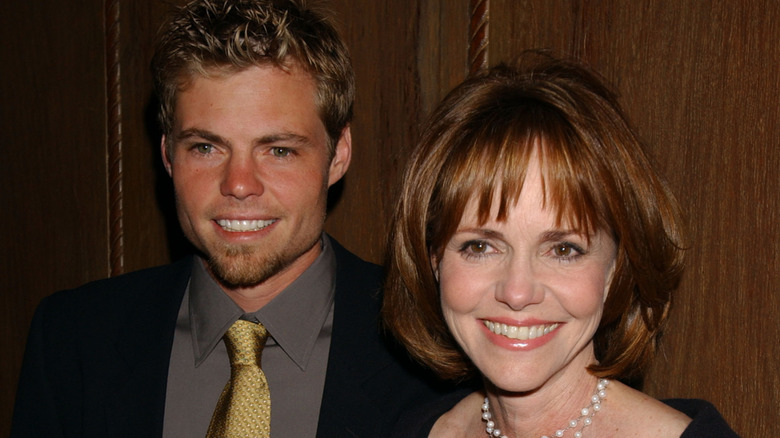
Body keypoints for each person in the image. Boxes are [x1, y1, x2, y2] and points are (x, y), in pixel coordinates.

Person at [11, 1, 446, 437]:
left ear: (339, 155)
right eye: (205, 147)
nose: (239, 184)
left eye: (279, 150)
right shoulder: (73, 340)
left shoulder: (436, 349)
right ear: (167, 154)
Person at [383, 54, 739, 437]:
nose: (518, 293)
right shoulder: (417, 429)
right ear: (433, 257)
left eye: (563, 250)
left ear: (617, 266)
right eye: (480, 247)